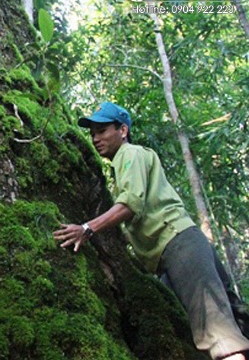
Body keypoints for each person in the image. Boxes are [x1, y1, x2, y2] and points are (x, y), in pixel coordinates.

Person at [53, 102, 249, 360]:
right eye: (92, 133)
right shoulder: (129, 161)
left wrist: (87, 229)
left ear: (123, 130)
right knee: (235, 319)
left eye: (102, 130)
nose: (95, 138)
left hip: (178, 245)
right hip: (181, 246)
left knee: (219, 337)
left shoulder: (129, 154)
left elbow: (131, 203)